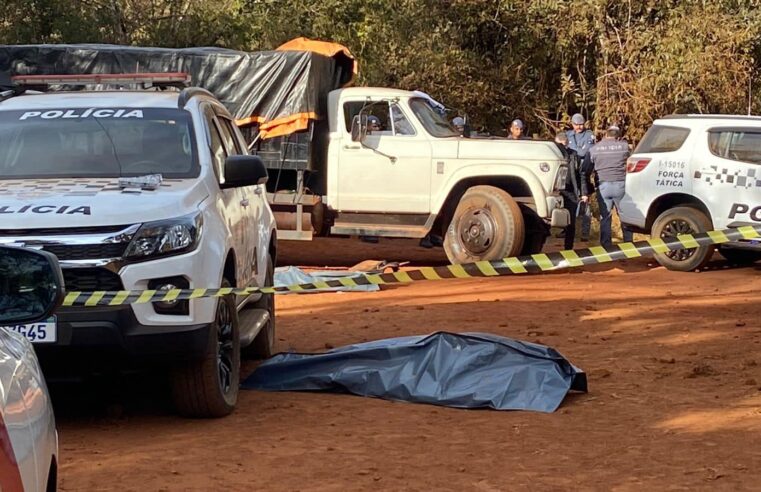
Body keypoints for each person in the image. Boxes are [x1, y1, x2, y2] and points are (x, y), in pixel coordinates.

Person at [587, 125, 634, 248]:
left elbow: (586, 169)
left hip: (603, 186)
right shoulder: (624, 147)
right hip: (621, 185)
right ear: (618, 136)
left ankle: (606, 245)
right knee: (624, 215)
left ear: (606, 134)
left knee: (605, 217)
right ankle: (628, 244)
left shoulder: (595, 149)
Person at [554, 132, 590, 250]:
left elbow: (581, 175)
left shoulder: (574, 156)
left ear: (567, 144)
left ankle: (568, 249)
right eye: (558, 145)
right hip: (553, 192)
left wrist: (584, 193)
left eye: (563, 145)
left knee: (571, 223)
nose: (561, 148)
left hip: (570, 192)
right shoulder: (549, 155)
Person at [566, 113, 596, 241]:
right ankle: (566, 229)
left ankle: (585, 233)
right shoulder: (568, 135)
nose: (579, 127)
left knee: (585, 204)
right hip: (571, 173)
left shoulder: (589, 135)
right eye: (576, 124)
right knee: (568, 202)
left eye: (581, 124)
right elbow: (566, 150)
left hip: (584, 173)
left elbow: (586, 151)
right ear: (572, 124)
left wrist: (575, 152)